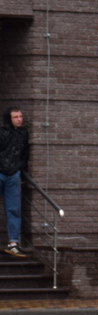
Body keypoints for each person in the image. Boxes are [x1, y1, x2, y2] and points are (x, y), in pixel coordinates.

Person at [0, 106, 28, 256]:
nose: (19, 119)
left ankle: (13, 243)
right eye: (16, 117)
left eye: (20, 116)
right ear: (9, 119)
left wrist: (19, 167)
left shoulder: (23, 134)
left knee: (14, 209)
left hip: (13, 175)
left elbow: (25, 153)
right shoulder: (3, 133)